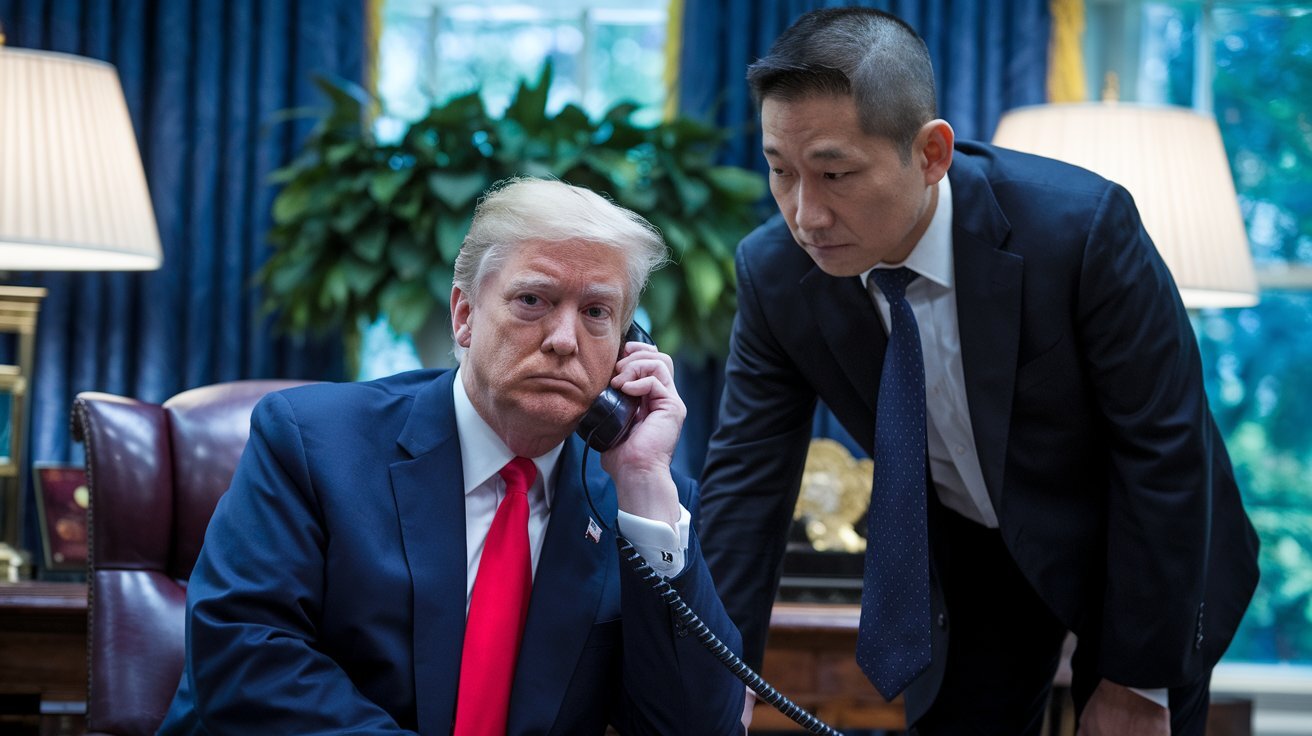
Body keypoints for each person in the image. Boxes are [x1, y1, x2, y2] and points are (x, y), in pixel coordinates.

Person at [698, 7, 1259, 736]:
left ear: (931, 153)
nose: (806, 215)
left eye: (835, 174)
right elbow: (745, 482)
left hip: (1136, 544)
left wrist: (1137, 683)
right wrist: (713, 679)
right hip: (973, 555)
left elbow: (1164, 453)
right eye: (781, 171)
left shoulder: (1081, 231)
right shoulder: (777, 273)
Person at [159, 178, 745, 735]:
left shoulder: (638, 504)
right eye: (533, 300)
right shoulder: (312, 443)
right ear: (464, 316)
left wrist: (643, 482)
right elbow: (244, 658)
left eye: (596, 313)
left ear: (627, 346)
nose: (565, 340)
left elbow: (697, 727)